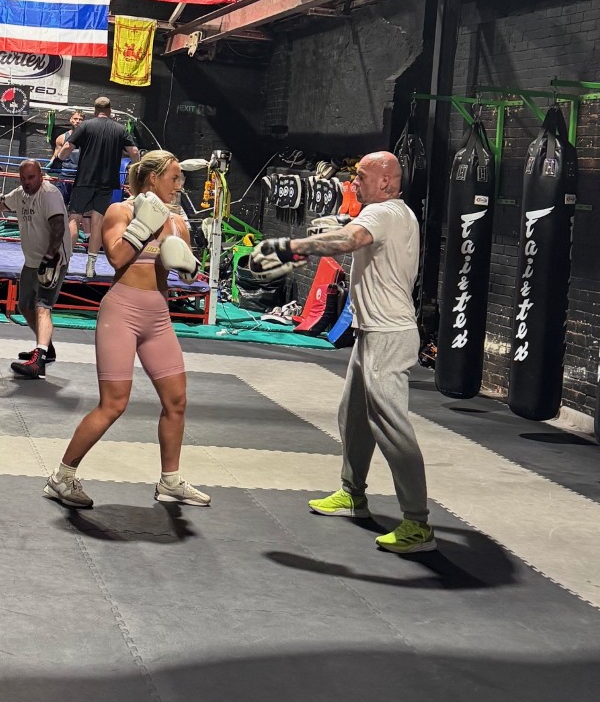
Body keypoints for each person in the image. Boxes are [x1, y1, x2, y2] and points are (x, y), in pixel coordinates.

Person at [249, 149, 434, 555]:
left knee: (391, 425)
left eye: (362, 176)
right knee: (352, 416)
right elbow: (353, 230)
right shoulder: (394, 213)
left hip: (389, 335)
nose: (353, 183)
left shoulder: (382, 213)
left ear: (385, 181)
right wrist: (335, 227)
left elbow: (352, 239)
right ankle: (353, 494)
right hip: (371, 333)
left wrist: (292, 246)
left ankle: (418, 523)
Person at [44, 149, 209, 510]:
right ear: (153, 178)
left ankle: (170, 481)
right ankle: (62, 478)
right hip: (122, 312)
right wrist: (143, 225)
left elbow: (188, 274)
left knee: (177, 401)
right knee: (114, 404)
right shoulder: (121, 211)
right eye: (174, 178)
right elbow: (117, 257)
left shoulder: (178, 222)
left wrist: (189, 267)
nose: (179, 185)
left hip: (158, 317)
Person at [3, 158, 69, 378]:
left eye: (31, 177)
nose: (27, 182)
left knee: (42, 306)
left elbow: (58, 228)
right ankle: (47, 349)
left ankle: (38, 362)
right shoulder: (20, 194)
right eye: (23, 178)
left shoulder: (49, 194)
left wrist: (50, 258)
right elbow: (3, 204)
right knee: (24, 306)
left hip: (53, 260)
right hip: (31, 261)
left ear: (41, 176)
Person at [65, 96, 138, 277]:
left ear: (95, 110)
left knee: (74, 218)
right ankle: (90, 267)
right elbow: (134, 151)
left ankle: (65, 263)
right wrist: (136, 167)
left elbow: (67, 147)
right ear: (110, 110)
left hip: (84, 180)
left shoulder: (85, 126)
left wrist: (59, 158)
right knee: (97, 222)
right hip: (107, 182)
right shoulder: (120, 129)